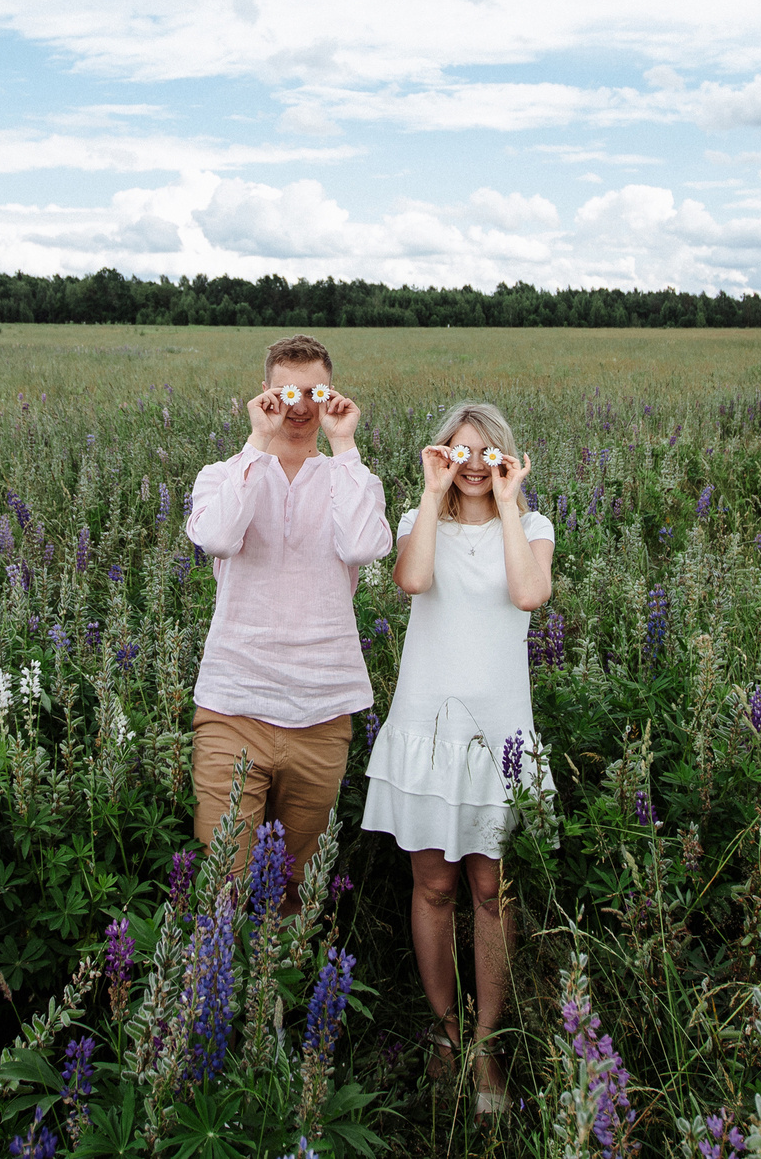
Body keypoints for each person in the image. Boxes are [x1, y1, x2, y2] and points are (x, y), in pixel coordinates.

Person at [362, 399, 553, 1115]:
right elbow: (411, 581)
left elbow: (529, 593)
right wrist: (430, 489)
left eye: (487, 451)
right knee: (435, 887)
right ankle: (444, 1030)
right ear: (441, 454)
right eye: (459, 450)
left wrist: (506, 504)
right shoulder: (420, 522)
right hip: (429, 730)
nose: (473, 463)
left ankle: (486, 1045)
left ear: (506, 458)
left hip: (500, 736)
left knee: (491, 891)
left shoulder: (532, 527)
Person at [182, 334, 392, 901]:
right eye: (285, 393)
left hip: (322, 708)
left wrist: (344, 445)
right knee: (222, 885)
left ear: (332, 396)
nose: (299, 406)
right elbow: (218, 537)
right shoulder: (222, 474)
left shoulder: (353, 478)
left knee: (297, 888)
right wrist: (258, 442)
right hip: (233, 704)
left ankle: (281, 965)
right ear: (264, 394)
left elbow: (364, 546)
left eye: (314, 393)